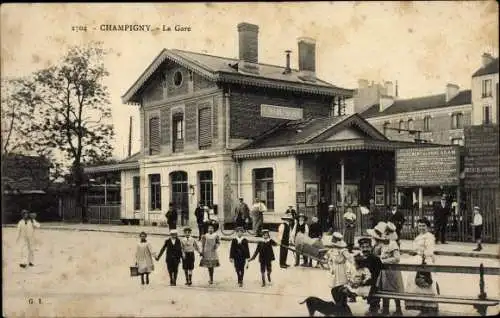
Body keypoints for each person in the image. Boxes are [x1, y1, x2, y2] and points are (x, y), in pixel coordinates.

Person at [404, 217, 439, 316]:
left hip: (425, 260)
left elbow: (429, 251)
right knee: (413, 281)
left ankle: (428, 305)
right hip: (417, 259)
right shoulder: (419, 236)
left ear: (427, 226)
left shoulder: (429, 237)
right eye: (420, 226)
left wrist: (421, 255)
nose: (421, 228)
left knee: (425, 280)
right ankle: (417, 304)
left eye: (424, 226)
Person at [377, 222, 404, 316]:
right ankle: (385, 310)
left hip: (393, 270)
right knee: (385, 289)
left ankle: (398, 310)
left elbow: (397, 258)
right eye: (384, 234)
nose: (385, 236)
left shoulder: (393, 244)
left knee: (394, 290)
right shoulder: (383, 244)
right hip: (385, 271)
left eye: (387, 234)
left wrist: (383, 261)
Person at [357, 237, 383, 316]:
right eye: (363, 247)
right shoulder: (358, 258)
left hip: (373, 284)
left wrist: (365, 281)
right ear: (360, 248)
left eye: (367, 247)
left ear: (371, 247)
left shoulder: (375, 259)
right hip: (362, 284)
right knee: (340, 289)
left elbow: (377, 276)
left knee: (373, 291)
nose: (365, 249)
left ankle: (374, 309)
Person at [326, 232, 353, 308]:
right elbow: (328, 258)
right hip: (334, 270)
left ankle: (342, 305)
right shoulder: (332, 249)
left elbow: (351, 258)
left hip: (341, 270)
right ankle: (339, 304)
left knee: (340, 288)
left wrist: (352, 268)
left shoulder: (343, 250)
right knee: (334, 289)